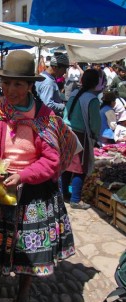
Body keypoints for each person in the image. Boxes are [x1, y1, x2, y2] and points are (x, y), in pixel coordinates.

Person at [0, 50, 77, 302]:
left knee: (30, 246)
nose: (11, 89)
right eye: (6, 83)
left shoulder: (44, 117)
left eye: (18, 83)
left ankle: (23, 292)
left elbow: (51, 161)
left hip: (34, 193)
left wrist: (23, 176)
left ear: (30, 85)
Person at [61, 69, 101, 209]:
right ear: (96, 83)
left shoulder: (74, 93)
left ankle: (63, 193)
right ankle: (76, 199)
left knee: (67, 165)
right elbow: (95, 122)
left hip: (67, 131)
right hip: (80, 135)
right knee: (80, 167)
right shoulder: (92, 99)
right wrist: (95, 136)